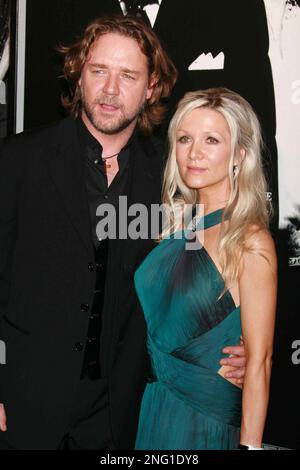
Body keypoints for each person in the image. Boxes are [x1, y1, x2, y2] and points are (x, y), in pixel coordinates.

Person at [0, 15, 246, 450]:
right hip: (23, 405)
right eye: (99, 71)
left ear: (151, 86)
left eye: (128, 75)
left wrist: (235, 346)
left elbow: (207, 274)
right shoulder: (19, 161)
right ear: (79, 76)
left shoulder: (174, 182)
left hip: (122, 417)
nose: (110, 90)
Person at [134, 87, 277, 450]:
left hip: (204, 423)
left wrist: (251, 448)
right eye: (184, 138)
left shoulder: (249, 239)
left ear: (238, 154)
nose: (194, 153)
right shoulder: (176, 226)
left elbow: (259, 363)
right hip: (154, 409)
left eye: (211, 140)